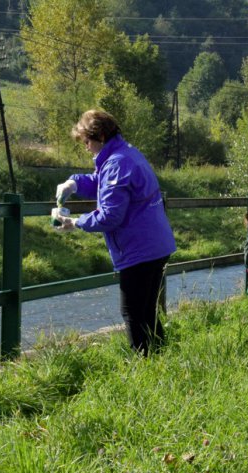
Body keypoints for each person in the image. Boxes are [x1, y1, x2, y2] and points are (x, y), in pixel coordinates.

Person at [55, 109, 177, 354]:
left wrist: (76, 223)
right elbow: (102, 182)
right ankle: (163, 358)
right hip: (155, 243)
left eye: (86, 142)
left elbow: (110, 216)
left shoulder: (116, 163)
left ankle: (145, 366)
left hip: (138, 247)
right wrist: (74, 182)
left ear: (100, 136)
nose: (86, 147)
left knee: (132, 312)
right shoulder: (124, 153)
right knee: (147, 311)